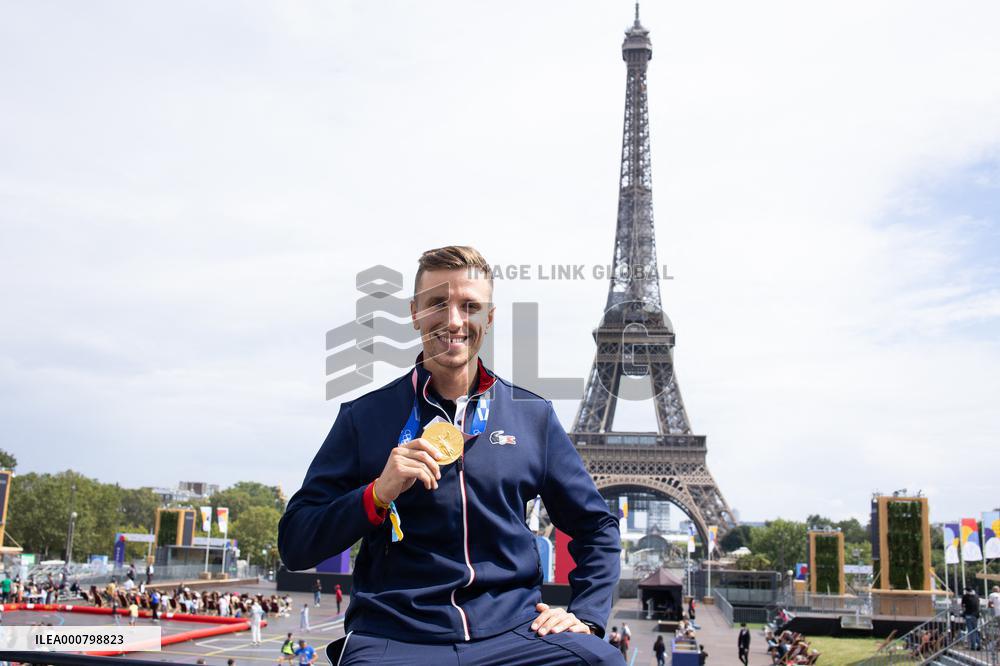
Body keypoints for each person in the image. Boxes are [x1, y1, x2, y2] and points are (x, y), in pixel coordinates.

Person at [278, 246, 622, 666]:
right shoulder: (363, 418)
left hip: (514, 632)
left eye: (470, 306)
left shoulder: (532, 416)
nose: (454, 320)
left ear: (489, 318)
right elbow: (295, 544)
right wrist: (377, 494)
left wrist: (585, 615)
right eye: (438, 303)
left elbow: (597, 528)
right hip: (394, 634)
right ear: (414, 312)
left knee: (601, 661)